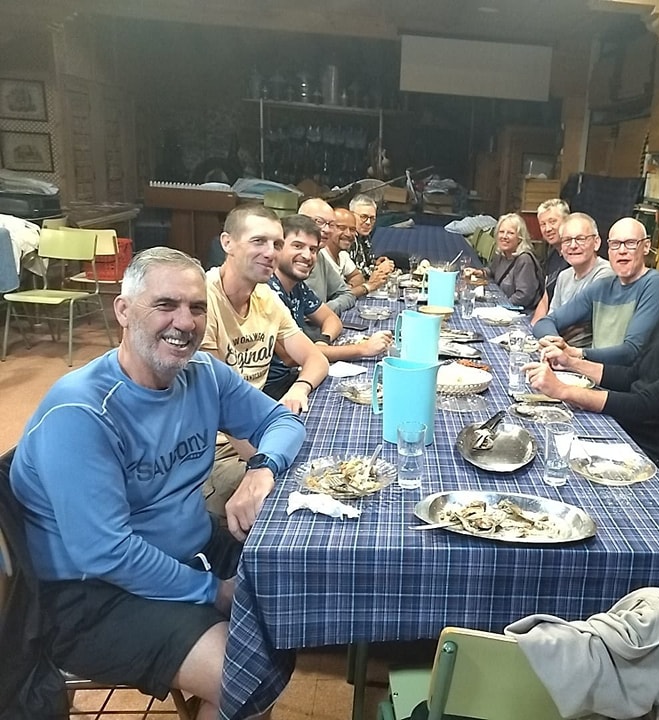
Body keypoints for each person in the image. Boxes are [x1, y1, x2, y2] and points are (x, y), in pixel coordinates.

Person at [11, 247, 305, 720]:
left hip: (189, 548)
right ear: (124, 311)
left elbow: (282, 422)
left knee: (290, 591)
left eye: (196, 307)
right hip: (92, 596)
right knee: (244, 676)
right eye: (165, 305)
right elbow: (105, 552)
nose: (185, 322)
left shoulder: (202, 374)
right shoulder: (83, 412)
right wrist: (213, 591)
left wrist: (262, 468)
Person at [526, 235, 659, 487]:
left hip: (651, 461)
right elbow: (633, 375)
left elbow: (644, 405)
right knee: (536, 438)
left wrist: (564, 390)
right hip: (623, 434)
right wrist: (571, 362)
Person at [201, 205, 328, 517]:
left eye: (277, 243)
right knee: (294, 503)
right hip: (214, 453)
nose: (271, 252)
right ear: (227, 243)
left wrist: (299, 387)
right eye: (258, 241)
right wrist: (266, 462)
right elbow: (220, 408)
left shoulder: (264, 297)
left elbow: (315, 358)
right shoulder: (200, 300)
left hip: (259, 434)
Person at [265, 214, 392, 397]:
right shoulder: (267, 290)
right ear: (277, 248)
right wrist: (363, 349)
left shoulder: (297, 286)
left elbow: (331, 319)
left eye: (313, 249)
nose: (307, 256)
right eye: (298, 246)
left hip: (295, 378)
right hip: (273, 393)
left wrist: (322, 340)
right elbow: (292, 357)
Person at [533, 217, 659, 366]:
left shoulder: (654, 283)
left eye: (630, 243)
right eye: (615, 244)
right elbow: (546, 322)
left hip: (622, 383)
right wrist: (554, 343)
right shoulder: (602, 287)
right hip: (593, 374)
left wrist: (576, 354)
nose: (622, 251)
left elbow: (631, 351)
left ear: (646, 246)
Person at [530, 212, 612, 347]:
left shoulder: (605, 275)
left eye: (580, 239)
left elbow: (575, 323)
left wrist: (553, 330)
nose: (573, 245)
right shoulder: (564, 276)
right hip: (559, 350)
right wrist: (554, 340)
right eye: (567, 240)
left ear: (596, 243)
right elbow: (547, 322)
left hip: (584, 358)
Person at [466, 212, 544, 311]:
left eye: (510, 233)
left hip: (519, 312)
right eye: (501, 232)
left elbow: (524, 296)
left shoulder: (524, 260)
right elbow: (492, 271)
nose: (504, 236)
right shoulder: (502, 254)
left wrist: (501, 307)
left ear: (520, 238)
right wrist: (480, 273)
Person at [298, 197, 357, 315]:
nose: (327, 229)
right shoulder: (282, 262)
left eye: (331, 224)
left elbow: (347, 294)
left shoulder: (320, 257)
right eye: (319, 222)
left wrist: (321, 311)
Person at [534, 198, 570, 315]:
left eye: (552, 221)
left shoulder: (574, 258)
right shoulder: (552, 255)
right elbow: (545, 297)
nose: (548, 229)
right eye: (543, 224)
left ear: (566, 222)